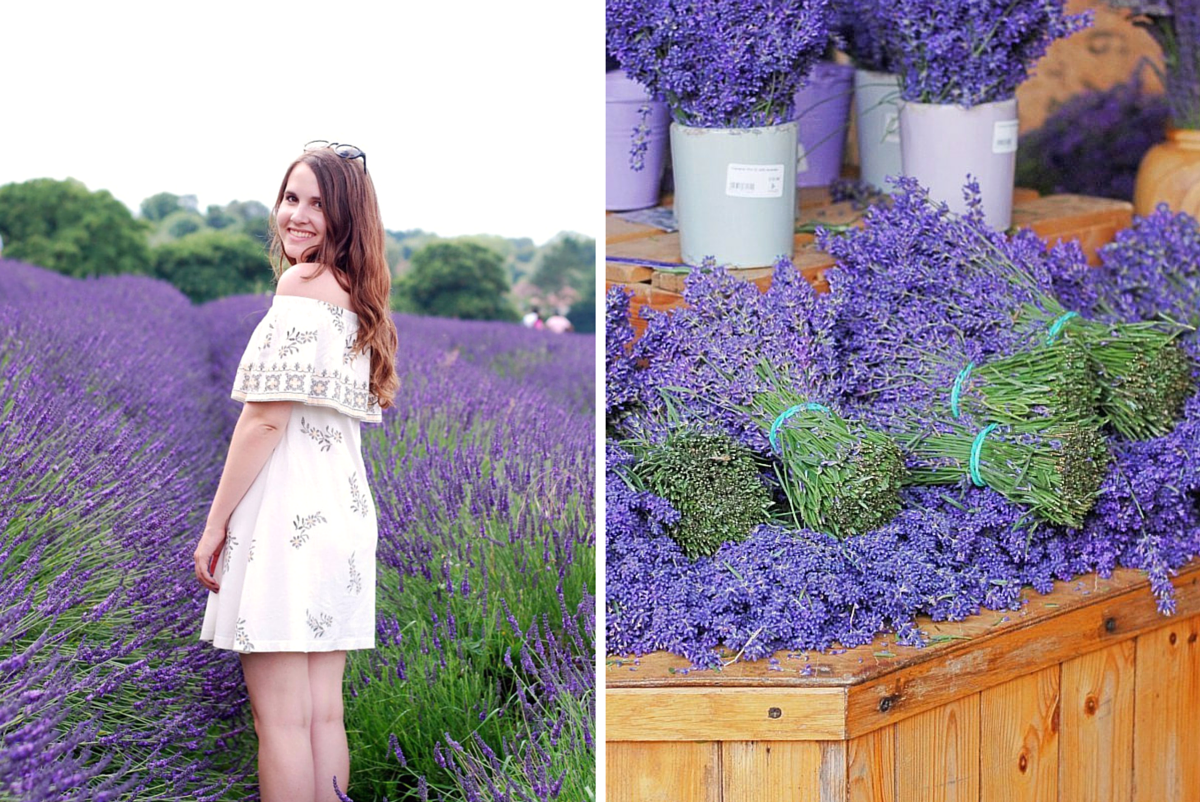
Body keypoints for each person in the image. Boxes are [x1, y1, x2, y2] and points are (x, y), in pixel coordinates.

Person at [193, 141, 398, 802]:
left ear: (346, 218)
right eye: (291, 198)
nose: (299, 215)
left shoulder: (301, 286)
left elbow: (263, 422)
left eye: (317, 203)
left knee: (279, 722)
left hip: (288, 521)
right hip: (343, 517)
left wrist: (215, 524)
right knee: (321, 715)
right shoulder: (360, 298)